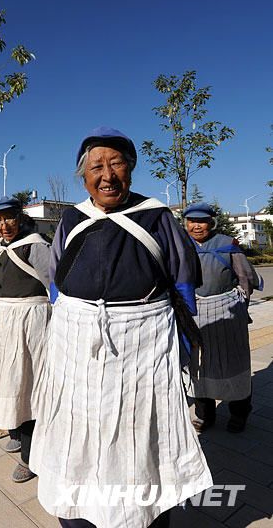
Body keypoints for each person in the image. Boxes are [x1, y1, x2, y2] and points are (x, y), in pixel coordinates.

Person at [29, 127, 212, 528]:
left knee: (139, 430)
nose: (108, 174)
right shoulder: (73, 218)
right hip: (78, 344)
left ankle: (142, 514)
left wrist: (181, 341)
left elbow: (181, 278)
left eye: (117, 164)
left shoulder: (157, 215)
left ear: (130, 169)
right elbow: (58, 282)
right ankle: (77, 513)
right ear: (84, 175)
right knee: (79, 427)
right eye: (97, 166)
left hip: (142, 341)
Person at [0, 196, 51, 482]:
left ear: (20, 217)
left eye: (8, 218)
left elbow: (55, 284)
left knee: (27, 382)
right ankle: (16, 433)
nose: (3, 225)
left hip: (32, 322)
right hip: (6, 323)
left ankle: (31, 458)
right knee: (7, 378)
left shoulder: (36, 245)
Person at [183, 202, 263, 434]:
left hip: (226, 312)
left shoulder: (228, 244)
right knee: (198, 366)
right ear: (186, 223)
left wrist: (239, 306)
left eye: (202, 221)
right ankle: (205, 414)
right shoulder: (181, 245)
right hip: (193, 313)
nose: (197, 226)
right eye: (192, 221)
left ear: (212, 223)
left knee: (233, 362)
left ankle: (240, 412)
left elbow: (245, 278)